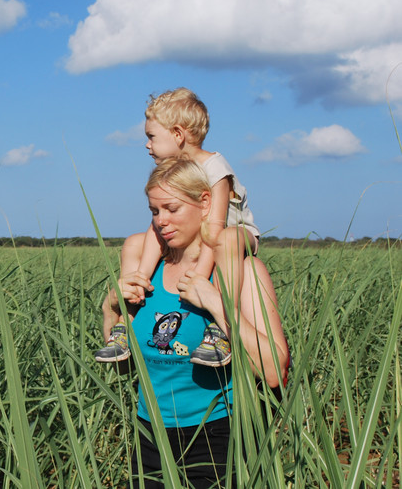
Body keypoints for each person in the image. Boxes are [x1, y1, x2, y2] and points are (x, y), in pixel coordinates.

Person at [99, 158, 289, 488]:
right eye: (154, 211)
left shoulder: (241, 271)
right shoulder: (146, 273)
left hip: (219, 438)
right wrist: (108, 309)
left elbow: (274, 371)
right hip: (150, 435)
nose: (161, 221)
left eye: (171, 208)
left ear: (204, 203)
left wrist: (217, 304)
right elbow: (122, 366)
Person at [95, 88, 259, 367]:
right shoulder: (175, 170)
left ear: (178, 134)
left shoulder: (214, 168)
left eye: (151, 136)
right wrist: (141, 278)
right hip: (204, 236)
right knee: (136, 242)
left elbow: (215, 228)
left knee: (227, 242)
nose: (147, 145)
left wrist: (198, 277)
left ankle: (220, 330)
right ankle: (124, 324)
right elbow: (154, 228)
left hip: (235, 233)